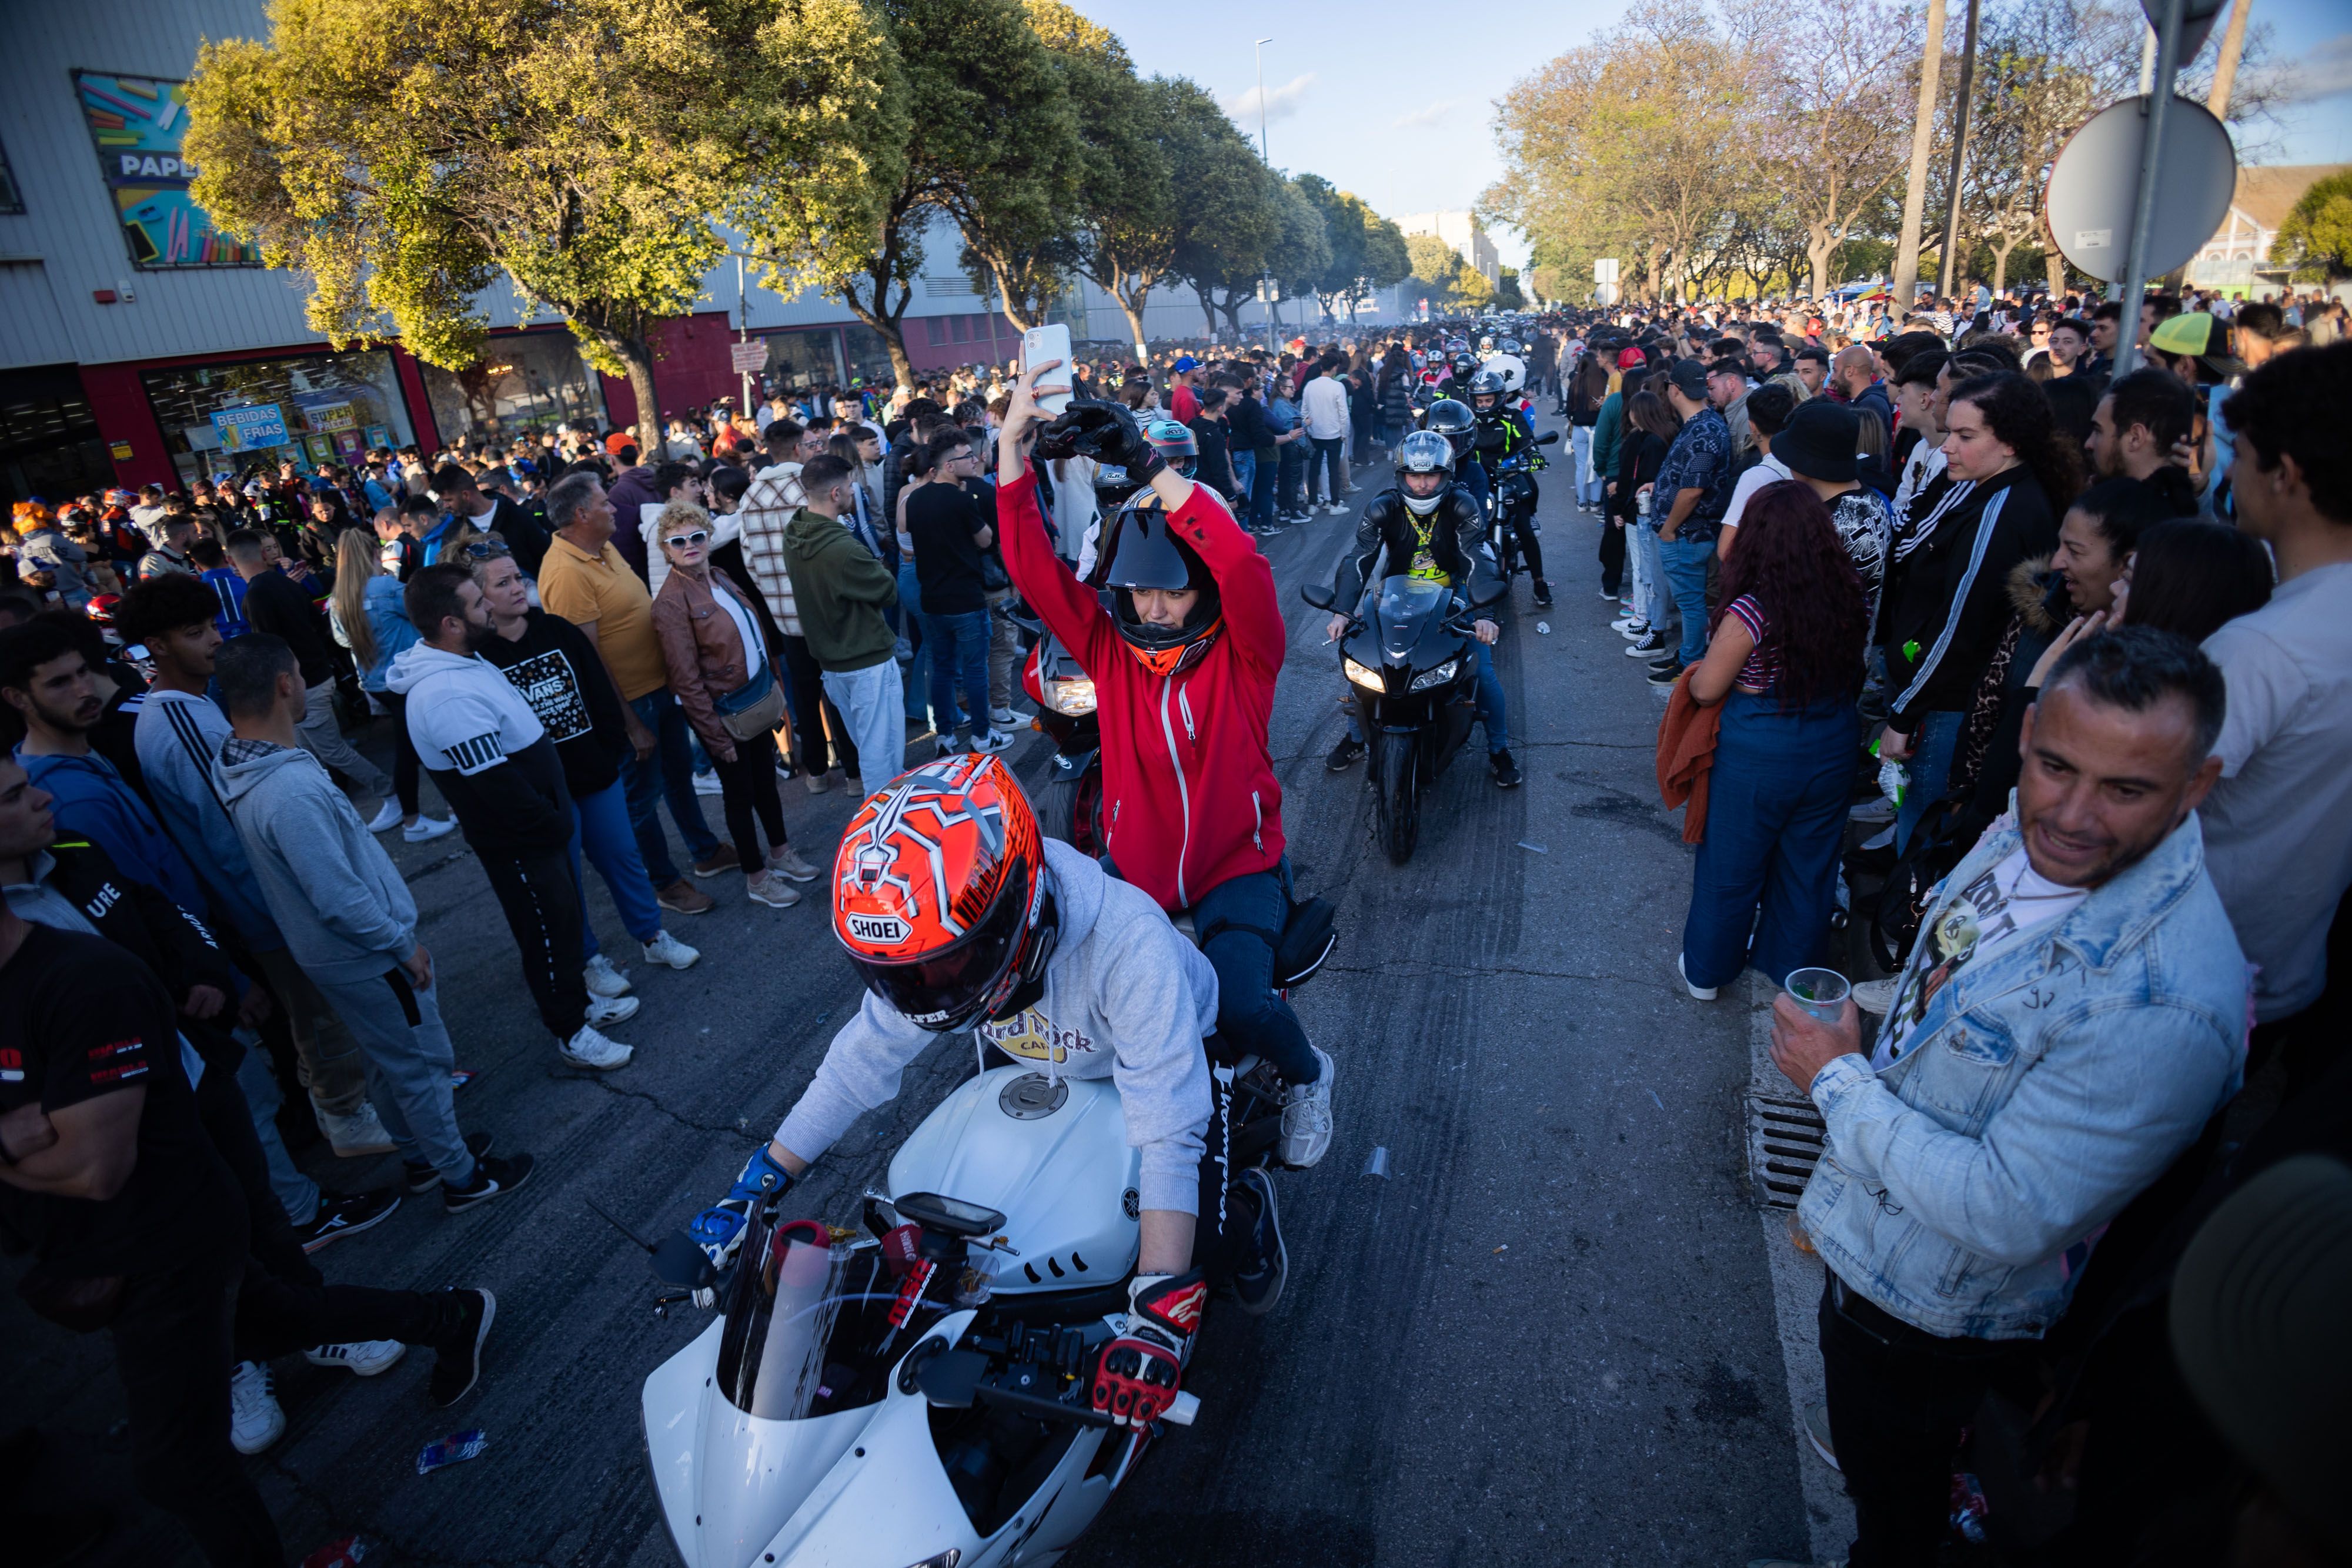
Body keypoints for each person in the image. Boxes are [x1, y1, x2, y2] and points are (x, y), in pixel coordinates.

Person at [1768, 627, 2248, 1568]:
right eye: (2059, 765)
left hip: (1928, 1315)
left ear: (2198, 786)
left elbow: (2005, 1209)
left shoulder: (2164, 1001)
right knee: (1876, 1472)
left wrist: (1835, 1078)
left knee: (1897, 1507)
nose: (2072, 814)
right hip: (1872, 1241)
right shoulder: (2018, 828)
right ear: (2028, 735)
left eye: (2128, 788)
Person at [681, 757, 1294, 1423]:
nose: (926, 998)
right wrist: (758, 1183)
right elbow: (859, 1063)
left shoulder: (1133, 948)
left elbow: (1170, 1132)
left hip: (1163, 1050)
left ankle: (1248, 1220)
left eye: (948, 968)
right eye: (903, 979)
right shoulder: (940, 936)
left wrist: (1157, 1317)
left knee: (1199, 1237)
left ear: (1016, 909)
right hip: (1045, 1047)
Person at [998, 366, 1337, 1165]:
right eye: (1139, 592)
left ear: (1202, 594)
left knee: (1245, 1004)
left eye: (1173, 593)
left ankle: (1312, 1073)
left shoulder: (1247, 654)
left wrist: (1156, 471)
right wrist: (1010, 448)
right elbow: (1035, 571)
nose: (1153, 607)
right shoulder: (1110, 653)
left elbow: (1246, 564)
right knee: (1070, 1007)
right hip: (1135, 873)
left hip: (1238, 865)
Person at [213, 633, 532, 1210]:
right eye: (300, 674)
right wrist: (398, 944)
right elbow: (335, 893)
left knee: (390, 1063)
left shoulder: (247, 766)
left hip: (337, 956)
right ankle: (462, 1177)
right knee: (423, 1065)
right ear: (286, 684)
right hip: (366, 954)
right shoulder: (286, 789)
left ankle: (423, 1157)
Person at [115, 577, 393, 1164]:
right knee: (318, 1018)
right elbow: (230, 829)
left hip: (272, 905)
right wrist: (288, 909)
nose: (213, 641)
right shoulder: (179, 720)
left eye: (213, 626)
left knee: (328, 1011)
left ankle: (359, 1103)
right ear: (157, 646)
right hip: (267, 909)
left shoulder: (193, 705)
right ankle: (345, 1115)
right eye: (195, 634)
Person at [387, 564, 638, 1070]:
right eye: (478, 604)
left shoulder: (462, 661)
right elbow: (497, 787)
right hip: (521, 841)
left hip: (540, 828)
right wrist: (555, 823)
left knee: (564, 924)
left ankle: (581, 1006)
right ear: (451, 623)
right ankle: (570, 1032)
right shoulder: (445, 695)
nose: (489, 609)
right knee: (546, 932)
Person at [2194, 342, 2352, 1082]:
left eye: (2241, 454)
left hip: (2208, 977)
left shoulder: (2261, 651)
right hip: (2294, 963)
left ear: (2284, 475)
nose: (2229, 472)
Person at [473, 550, 702, 992]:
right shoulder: (482, 658)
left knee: (623, 858)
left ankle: (652, 935)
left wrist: (611, 748)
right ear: (480, 597)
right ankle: (589, 959)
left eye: (517, 577)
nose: (517, 587)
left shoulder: (556, 628)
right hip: (544, 793)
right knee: (565, 881)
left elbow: (596, 684)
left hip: (596, 775)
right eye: (502, 583)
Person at [1676, 483, 1867, 999]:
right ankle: (1795, 977)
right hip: (1832, 743)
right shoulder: (1847, 593)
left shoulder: (1752, 610)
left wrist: (1695, 678)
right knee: (1809, 869)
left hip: (1759, 752)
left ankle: (1707, 971)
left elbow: (1707, 686)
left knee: (1732, 866)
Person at [1878, 372, 2076, 852]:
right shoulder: (1991, 487)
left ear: (2009, 443)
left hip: (1946, 708)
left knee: (1922, 839)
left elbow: (1956, 629)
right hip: (1946, 696)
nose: (1948, 447)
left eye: (1966, 437)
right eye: (1950, 433)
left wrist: (1903, 716)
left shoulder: (2001, 510)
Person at [536, 471, 728, 917]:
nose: (615, 508)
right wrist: (631, 723)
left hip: (660, 689)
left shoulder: (601, 548)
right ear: (582, 514)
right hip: (632, 704)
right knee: (641, 798)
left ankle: (705, 852)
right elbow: (589, 658)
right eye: (605, 503)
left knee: (679, 777)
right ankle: (664, 882)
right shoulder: (565, 571)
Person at [649, 500, 818, 910]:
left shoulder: (720, 575)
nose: (690, 545)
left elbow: (753, 637)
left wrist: (772, 687)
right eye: (678, 541)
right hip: (724, 716)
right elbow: (686, 681)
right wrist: (714, 735)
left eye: (697, 536)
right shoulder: (671, 603)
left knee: (765, 782)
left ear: (708, 536)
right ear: (666, 548)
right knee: (739, 794)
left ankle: (780, 852)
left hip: (753, 703)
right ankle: (756, 878)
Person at [226, 529, 395, 810]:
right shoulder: (286, 585)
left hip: (306, 685)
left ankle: (391, 792)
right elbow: (317, 625)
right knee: (312, 752)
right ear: (265, 553)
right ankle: (339, 803)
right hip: (315, 678)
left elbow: (272, 653)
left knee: (332, 751)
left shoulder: (257, 595)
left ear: (231, 561)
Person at [783, 453, 906, 788]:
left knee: (870, 752)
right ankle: (882, 833)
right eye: (850, 485)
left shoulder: (795, 532)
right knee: (882, 761)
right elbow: (888, 591)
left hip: (834, 664)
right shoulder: (843, 550)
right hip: (867, 664)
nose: (854, 492)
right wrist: (876, 565)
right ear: (836, 493)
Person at [326, 529, 457, 843]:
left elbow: (342, 640)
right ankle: (416, 821)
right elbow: (423, 614)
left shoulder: (338, 599)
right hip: (408, 676)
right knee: (423, 747)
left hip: (376, 682)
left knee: (419, 746)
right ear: (372, 554)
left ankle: (445, 810)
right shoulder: (386, 587)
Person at [904, 433, 1018, 757]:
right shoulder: (960, 500)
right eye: (968, 456)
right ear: (949, 465)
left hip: (933, 599)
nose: (975, 459)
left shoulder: (915, 498)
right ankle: (982, 736)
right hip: (966, 600)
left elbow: (909, 538)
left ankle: (945, 735)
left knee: (941, 669)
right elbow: (985, 540)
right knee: (974, 669)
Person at [1645, 359, 1733, 684]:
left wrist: (1669, 528)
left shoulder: (1705, 429)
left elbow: (1694, 490)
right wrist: (1660, 486)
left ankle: (1691, 663)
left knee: (1691, 603)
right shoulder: (1703, 424)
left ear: (1675, 390)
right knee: (1689, 602)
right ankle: (1687, 655)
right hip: (1686, 532)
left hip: (1687, 534)